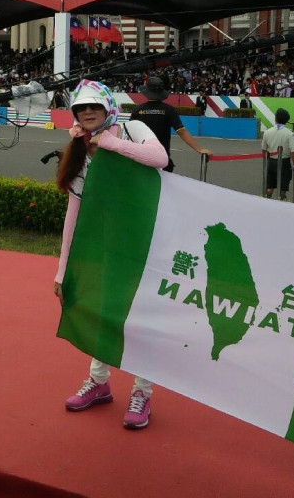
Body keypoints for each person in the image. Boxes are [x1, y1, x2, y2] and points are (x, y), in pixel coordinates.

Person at [54, 80, 168, 428]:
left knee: (141, 318)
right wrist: (62, 271)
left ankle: (142, 393)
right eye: (81, 109)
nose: (88, 113)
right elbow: (74, 214)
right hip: (103, 247)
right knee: (103, 314)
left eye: (94, 107)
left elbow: (160, 158)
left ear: (108, 108)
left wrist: (114, 144)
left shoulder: (133, 129)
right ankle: (100, 382)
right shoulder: (77, 147)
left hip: (145, 243)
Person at [129, 76, 211, 172]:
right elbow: (182, 132)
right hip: (162, 160)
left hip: (141, 161)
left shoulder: (137, 110)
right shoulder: (169, 110)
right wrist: (199, 149)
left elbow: (130, 134)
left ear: (147, 92)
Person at [261, 108, 294, 200]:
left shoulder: (267, 132)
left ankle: (265, 201)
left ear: (275, 119)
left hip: (271, 161)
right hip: (284, 162)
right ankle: (282, 202)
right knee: (283, 188)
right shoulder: (290, 134)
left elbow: (264, 149)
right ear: (287, 120)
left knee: (270, 186)